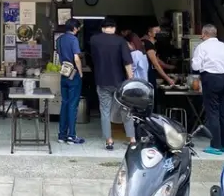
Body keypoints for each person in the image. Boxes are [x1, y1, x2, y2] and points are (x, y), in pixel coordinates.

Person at [191, 24, 224, 155]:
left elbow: (196, 65)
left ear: (204, 34)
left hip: (210, 79)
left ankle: (215, 145)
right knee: (223, 113)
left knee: (213, 113)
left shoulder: (201, 47)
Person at [91, 18, 135, 150]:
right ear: (114, 28)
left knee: (104, 110)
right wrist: (131, 79)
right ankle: (132, 139)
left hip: (102, 80)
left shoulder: (94, 40)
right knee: (126, 109)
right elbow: (127, 62)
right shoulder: (120, 41)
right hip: (119, 82)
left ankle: (109, 141)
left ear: (103, 28)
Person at [56, 18, 84, 145]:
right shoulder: (74, 40)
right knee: (73, 105)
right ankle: (72, 136)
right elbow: (76, 58)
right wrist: (81, 72)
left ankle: (62, 135)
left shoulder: (59, 39)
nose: (78, 30)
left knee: (65, 104)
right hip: (73, 74)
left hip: (64, 73)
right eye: (78, 28)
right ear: (74, 28)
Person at [142, 23, 176, 90]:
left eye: (159, 31)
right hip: (148, 73)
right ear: (150, 33)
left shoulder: (151, 45)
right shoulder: (148, 45)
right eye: (156, 32)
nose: (159, 34)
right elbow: (156, 64)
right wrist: (168, 79)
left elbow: (158, 61)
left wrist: (171, 67)